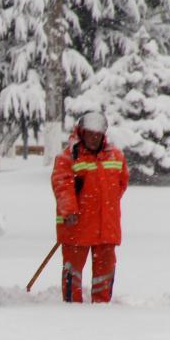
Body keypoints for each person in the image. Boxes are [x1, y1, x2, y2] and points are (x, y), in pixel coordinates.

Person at [50, 111, 129, 303]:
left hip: (106, 226)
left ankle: (102, 305)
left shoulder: (116, 156)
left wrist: (104, 207)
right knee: (73, 271)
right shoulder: (68, 157)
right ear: (81, 132)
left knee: (105, 270)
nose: (94, 138)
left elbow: (121, 184)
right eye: (90, 134)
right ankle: (72, 306)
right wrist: (70, 210)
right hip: (77, 226)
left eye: (97, 134)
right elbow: (62, 185)